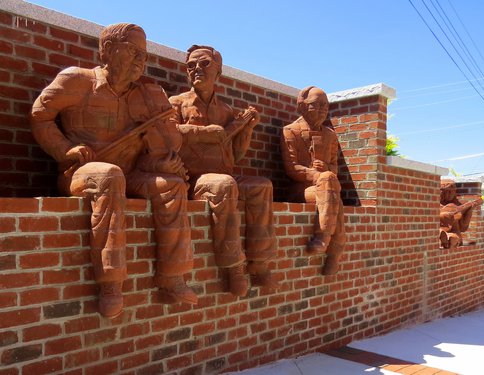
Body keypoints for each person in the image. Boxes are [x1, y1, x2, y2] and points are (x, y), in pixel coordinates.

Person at [30, 23, 196, 317]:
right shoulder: (76, 81)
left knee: (172, 185)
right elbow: (40, 115)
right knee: (109, 175)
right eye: (133, 51)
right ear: (107, 50)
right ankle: (111, 282)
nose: (140, 61)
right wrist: (64, 150)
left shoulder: (144, 95)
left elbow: (166, 145)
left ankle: (172, 275)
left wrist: (160, 152)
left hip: (129, 174)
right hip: (82, 173)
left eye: (144, 55)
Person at [169, 45, 279, 296]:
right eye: (191, 65)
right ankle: (233, 267)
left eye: (205, 63)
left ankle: (260, 262)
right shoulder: (177, 103)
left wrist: (247, 129)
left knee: (262, 185)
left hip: (224, 173)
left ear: (218, 71)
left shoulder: (226, 111)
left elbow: (236, 155)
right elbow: (168, 135)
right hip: (194, 178)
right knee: (224, 185)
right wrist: (204, 133)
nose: (197, 69)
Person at [281, 86, 346, 275]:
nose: (322, 109)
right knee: (331, 187)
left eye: (325, 105)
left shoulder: (330, 135)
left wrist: (326, 170)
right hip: (300, 189)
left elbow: (334, 167)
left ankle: (324, 238)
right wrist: (318, 174)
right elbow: (291, 168)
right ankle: (333, 250)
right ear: (301, 106)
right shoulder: (290, 131)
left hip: (326, 188)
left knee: (332, 189)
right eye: (315, 105)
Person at [439, 179, 483, 248]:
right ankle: (444, 237)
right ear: (442, 192)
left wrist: (470, 210)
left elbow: (463, 228)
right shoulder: (434, 205)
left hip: (454, 232)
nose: (451, 194)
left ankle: (448, 238)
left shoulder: (457, 205)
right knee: (439, 233)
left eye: (453, 191)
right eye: (448, 191)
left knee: (453, 238)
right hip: (439, 230)